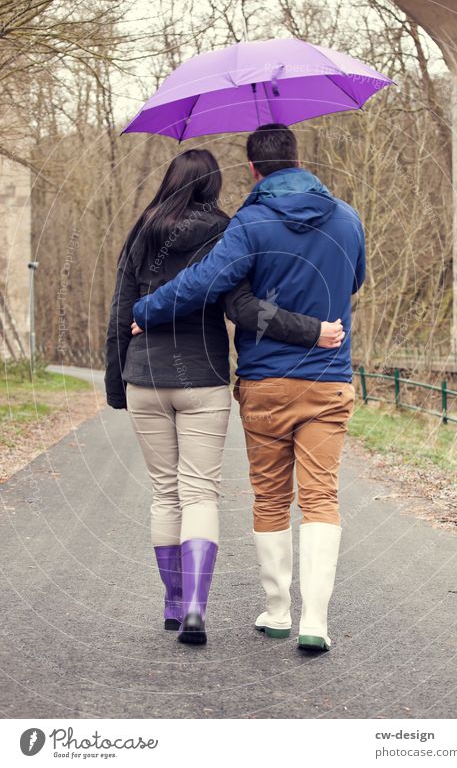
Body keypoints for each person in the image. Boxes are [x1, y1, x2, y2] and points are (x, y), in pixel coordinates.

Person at [132, 124, 365, 652]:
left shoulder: (250, 224)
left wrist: (145, 310)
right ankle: (316, 624)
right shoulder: (348, 219)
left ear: (254, 169)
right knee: (322, 496)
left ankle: (278, 611)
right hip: (328, 380)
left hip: (266, 383)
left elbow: (206, 284)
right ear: (298, 158)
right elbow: (353, 280)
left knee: (271, 497)